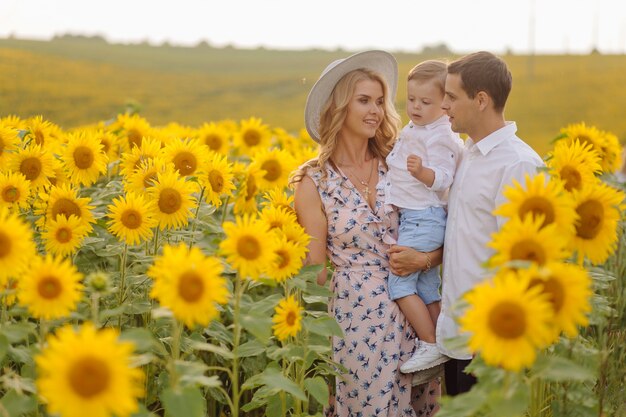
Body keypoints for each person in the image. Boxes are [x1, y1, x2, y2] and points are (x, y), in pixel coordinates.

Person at [292, 50, 443, 416]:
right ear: (338, 107)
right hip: (357, 324)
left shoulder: (401, 164)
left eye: (380, 101)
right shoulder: (315, 182)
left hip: (416, 321)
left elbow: (441, 228)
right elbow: (316, 271)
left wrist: (425, 259)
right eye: (364, 101)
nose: (376, 110)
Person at [437, 51, 544, 395]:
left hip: (490, 344)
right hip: (457, 335)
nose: (443, 105)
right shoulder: (467, 153)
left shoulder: (518, 165)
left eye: (451, 97)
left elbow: (525, 267)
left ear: (481, 100)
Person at [384, 60, 463, 374]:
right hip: (419, 217)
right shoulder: (421, 128)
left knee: (400, 285)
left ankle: (429, 343)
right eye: (411, 100)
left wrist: (422, 173)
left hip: (423, 218)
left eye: (425, 102)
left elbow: (444, 177)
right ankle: (442, 342)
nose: (415, 107)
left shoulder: (439, 136)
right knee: (428, 288)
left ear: (445, 105)